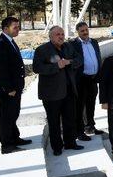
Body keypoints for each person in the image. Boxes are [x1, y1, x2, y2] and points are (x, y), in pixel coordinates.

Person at [33, 26, 83, 156]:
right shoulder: (42, 50)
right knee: (54, 121)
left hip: (69, 91)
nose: (61, 36)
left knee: (69, 119)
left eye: (62, 34)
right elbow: (37, 68)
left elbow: (79, 60)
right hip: (51, 94)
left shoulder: (68, 47)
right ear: (50, 36)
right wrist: (56, 66)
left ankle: (70, 143)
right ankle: (57, 147)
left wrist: (69, 62)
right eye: (57, 34)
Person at [0, 16, 31, 154]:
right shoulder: (0, 44)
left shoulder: (10, 41)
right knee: (7, 116)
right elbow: (1, 69)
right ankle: (6, 145)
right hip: (7, 89)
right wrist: (9, 89)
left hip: (14, 87)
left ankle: (14, 137)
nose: (18, 29)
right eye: (15, 27)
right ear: (5, 28)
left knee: (13, 113)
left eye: (18, 27)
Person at [71, 22, 103, 140]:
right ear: (78, 32)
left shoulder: (94, 42)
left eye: (86, 30)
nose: (85, 32)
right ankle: (79, 131)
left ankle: (90, 126)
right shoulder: (73, 44)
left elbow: (98, 57)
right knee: (80, 106)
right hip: (81, 79)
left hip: (93, 78)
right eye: (82, 31)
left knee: (91, 103)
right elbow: (72, 61)